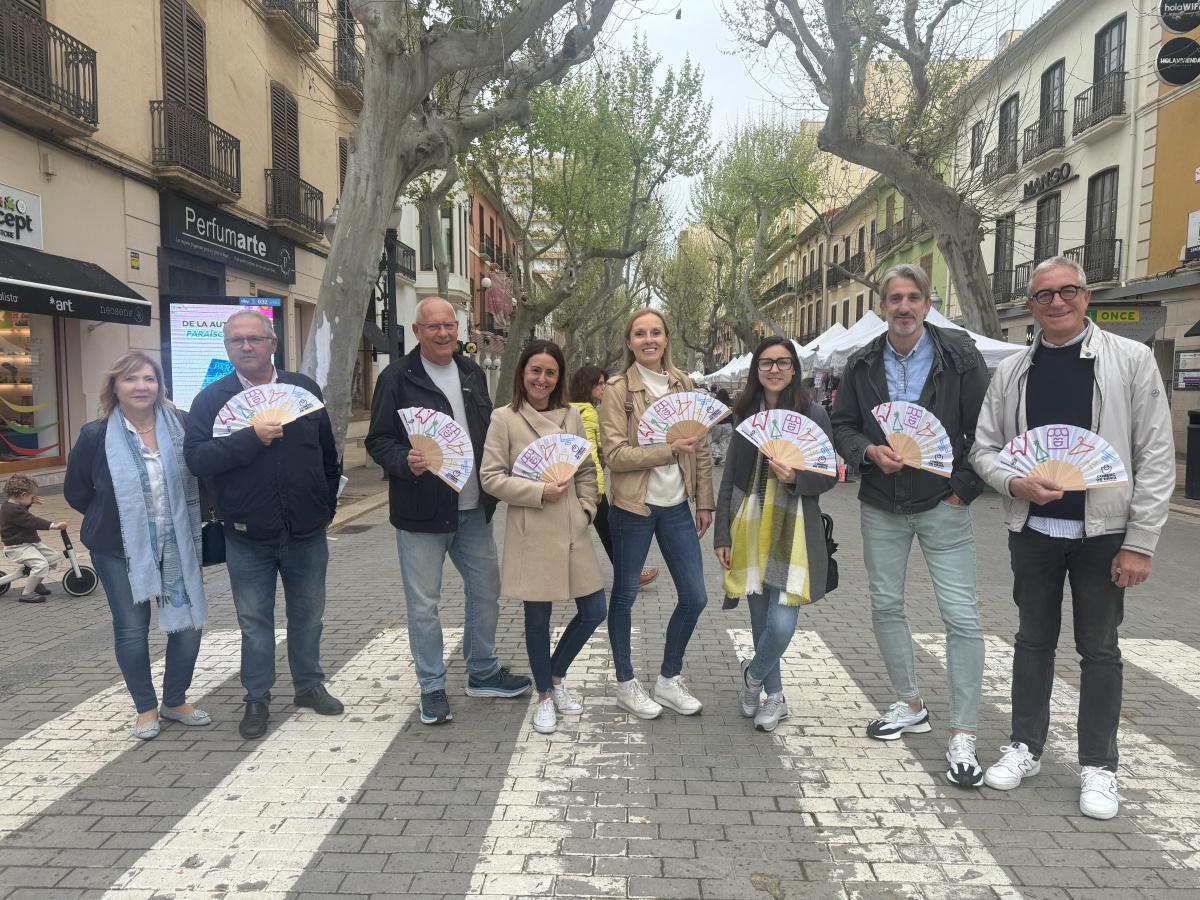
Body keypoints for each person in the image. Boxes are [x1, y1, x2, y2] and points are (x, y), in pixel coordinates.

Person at [969, 256, 1175, 819]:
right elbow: (984, 448)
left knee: (1099, 649)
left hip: (1105, 534)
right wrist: (1014, 481)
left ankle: (1098, 765)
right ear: (1029, 306)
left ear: (1087, 296)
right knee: (1032, 642)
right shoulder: (1012, 371)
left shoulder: (1130, 362)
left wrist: (1142, 542)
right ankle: (1025, 746)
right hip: (1032, 531)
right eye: (1043, 296)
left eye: (1068, 292)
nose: (1056, 303)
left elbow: (1155, 457)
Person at [831, 263, 989, 787]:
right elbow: (844, 425)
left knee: (961, 616)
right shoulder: (861, 363)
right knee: (885, 604)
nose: (903, 307)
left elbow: (984, 427)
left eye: (912, 297)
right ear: (882, 306)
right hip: (880, 503)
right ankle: (909, 703)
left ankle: (963, 730)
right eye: (894, 298)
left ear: (927, 303)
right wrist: (867, 451)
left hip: (943, 502)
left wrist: (963, 488)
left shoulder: (961, 356)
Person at [365, 297, 531, 726]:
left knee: (486, 591)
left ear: (458, 329)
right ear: (417, 331)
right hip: (421, 511)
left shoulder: (472, 372)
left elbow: (489, 432)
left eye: (449, 326)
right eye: (433, 326)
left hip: (473, 507)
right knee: (424, 605)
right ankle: (433, 687)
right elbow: (378, 441)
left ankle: (482, 670)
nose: (443, 333)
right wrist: (405, 460)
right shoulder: (396, 378)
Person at [184, 311, 343, 740]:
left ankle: (309, 686)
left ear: (273, 343)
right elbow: (198, 459)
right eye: (236, 341)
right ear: (227, 348)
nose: (246, 346)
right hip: (246, 535)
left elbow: (329, 455)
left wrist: (325, 505)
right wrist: (250, 438)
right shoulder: (211, 400)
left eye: (254, 338)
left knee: (308, 617)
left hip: (306, 532)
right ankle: (257, 697)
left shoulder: (303, 390)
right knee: (255, 624)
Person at [64, 351, 209, 740]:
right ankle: (145, 708)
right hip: (118, 548)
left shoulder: (181, 424)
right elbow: (77, 492)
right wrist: (121, 520)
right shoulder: (95, 435)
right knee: (131, 629)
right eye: (131, 379)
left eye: (148, 379)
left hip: (178, 542)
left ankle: (174, 701)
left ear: (160, 385)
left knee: (189, 625)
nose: (141, 386)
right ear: (115, 387)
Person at [480, 341, 607, 734]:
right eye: (535, 370)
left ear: (559, 378)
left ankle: (553, 676)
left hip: (572, 527)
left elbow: (586, 469)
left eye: (550, 372)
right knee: (537, 618)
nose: (542, 379)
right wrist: (537, 492)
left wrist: (586, 508)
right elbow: (490, 477)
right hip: (531, 528)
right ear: (522, 373)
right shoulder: (505, 418)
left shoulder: (571, 415)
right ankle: (545, 697)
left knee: (594, 610)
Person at [714, 337, 836, 732]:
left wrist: (795, 477)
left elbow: (827, 474)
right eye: (766, 362)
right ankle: (774, 697)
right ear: (757, 370)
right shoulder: (745, 413)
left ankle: (752, 675)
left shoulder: (814, 412)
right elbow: (730, 475)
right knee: (760, 619)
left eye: (783, 362)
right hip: (748, 523)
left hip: (794, 527)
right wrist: (722, 535)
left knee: (781, 624)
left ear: (794, 369)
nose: (775, 369)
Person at [599, 308, 714, 719]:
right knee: (625, 595)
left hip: (677, 507)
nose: (649, 340)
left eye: (656, 333)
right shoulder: (618, 391)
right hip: (634, 507)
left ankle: (668, 679)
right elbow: (612, 455)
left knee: (695, 596)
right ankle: (627, 684)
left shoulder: (683, 384)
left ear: (667, 339)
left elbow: (699, 446)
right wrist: (668, 451)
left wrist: (704, 500)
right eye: (640, 334)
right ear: (629, 342)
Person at [568, 365, 658, 589]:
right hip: (588, 484)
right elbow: (588, 455)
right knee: (607, 530)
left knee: (590, 530)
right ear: (586, 386)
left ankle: (627, 573)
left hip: (575, 483)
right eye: (599, 383)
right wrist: (598, 487)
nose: (603, 387)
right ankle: (629, 575)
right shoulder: (586, 412)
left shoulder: (575, 409)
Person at [1, 474, 67, 603]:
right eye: (31, 496)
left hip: (29, 543)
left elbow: (22, 513)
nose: (33, 498)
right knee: (41, 564)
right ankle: (27, 593)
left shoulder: (12, 506)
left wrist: (29, 502)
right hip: (18, 547)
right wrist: (53, 526)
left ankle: (35, 583)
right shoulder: (11, 510)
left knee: (53, 558)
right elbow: (31, 521)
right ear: (23, 495)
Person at [709, 388, 733, 465]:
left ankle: (717, 454)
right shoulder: (730, 403)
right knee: (726, 442)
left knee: (715, 441)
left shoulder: (715, 403)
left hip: (717, 424)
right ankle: (724, 459)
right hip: (728, 424)